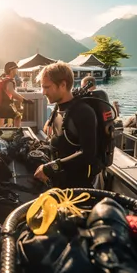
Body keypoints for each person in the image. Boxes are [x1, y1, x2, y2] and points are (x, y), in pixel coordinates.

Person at [34, 61, 100, 189]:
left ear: (63, 85)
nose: (43, 92)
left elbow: (88, 154)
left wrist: (50, 168)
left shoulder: (83, 112)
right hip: (58, 181)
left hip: (76, 189)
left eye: (47, 87)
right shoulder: (58, 108)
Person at [0, 61, 33, 127]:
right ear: (12, 70)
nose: (17, 71)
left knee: (1, 119)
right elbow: (13, 93)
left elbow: (10, 94)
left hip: (0, 106)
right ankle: (17, 131)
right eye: (16, 69)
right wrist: (24, 100)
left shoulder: (4, 79)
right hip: (4, 107)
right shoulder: (9, 81)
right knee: (17, 116)